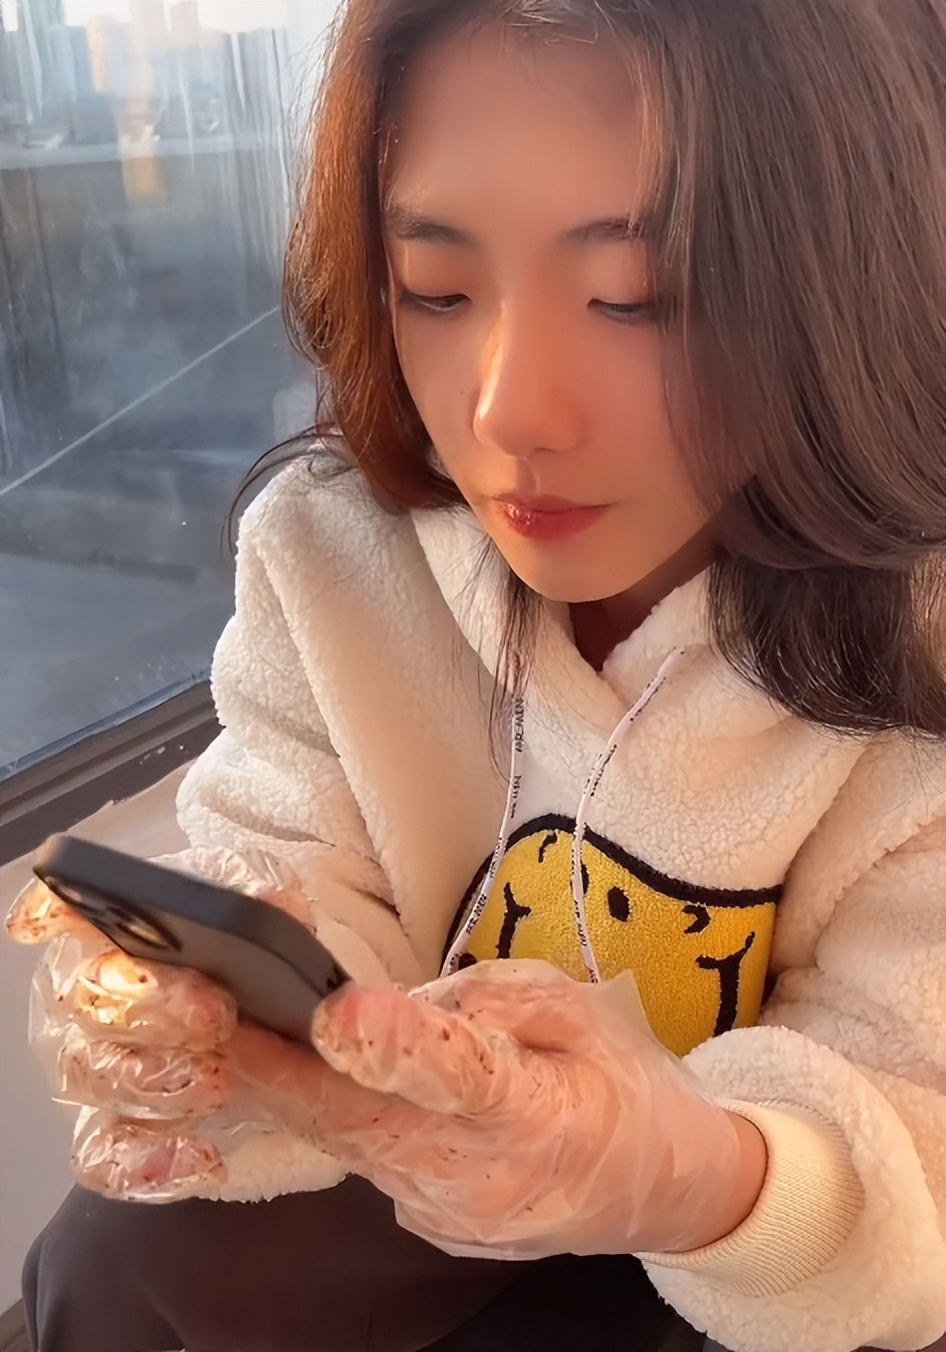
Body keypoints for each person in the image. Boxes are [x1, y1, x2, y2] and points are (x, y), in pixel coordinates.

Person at [8, 0, 945, 1349]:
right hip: (429, 1157)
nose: (508, 409)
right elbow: (301, 863)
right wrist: (221, 1017)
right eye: (437, 289)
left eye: (637, 295)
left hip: (770, 1208)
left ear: (855, 275)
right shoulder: (337, 556)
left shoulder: (916, 637)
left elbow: (911, 1125)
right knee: (123, 1256)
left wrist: (687, 1174)